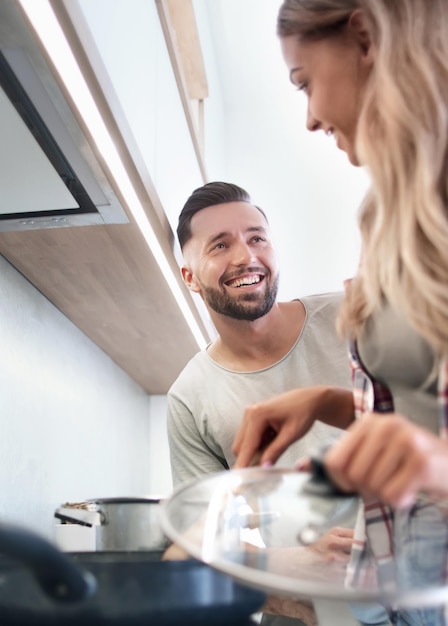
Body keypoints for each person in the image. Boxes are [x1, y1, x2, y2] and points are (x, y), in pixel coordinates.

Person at [232, 2, 448, 625]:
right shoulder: (391, 212)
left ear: (364, 36)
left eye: (304, 82)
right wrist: (326, 403)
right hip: (402, 589)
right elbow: (421, 410)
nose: (308, 118)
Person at [166, 180, 355, 626]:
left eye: (257, 238)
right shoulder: (189, 397)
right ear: (189, 275)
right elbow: (195, 548)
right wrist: (287, 580)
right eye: (219, 245)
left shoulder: (353, 319)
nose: (245, 257)